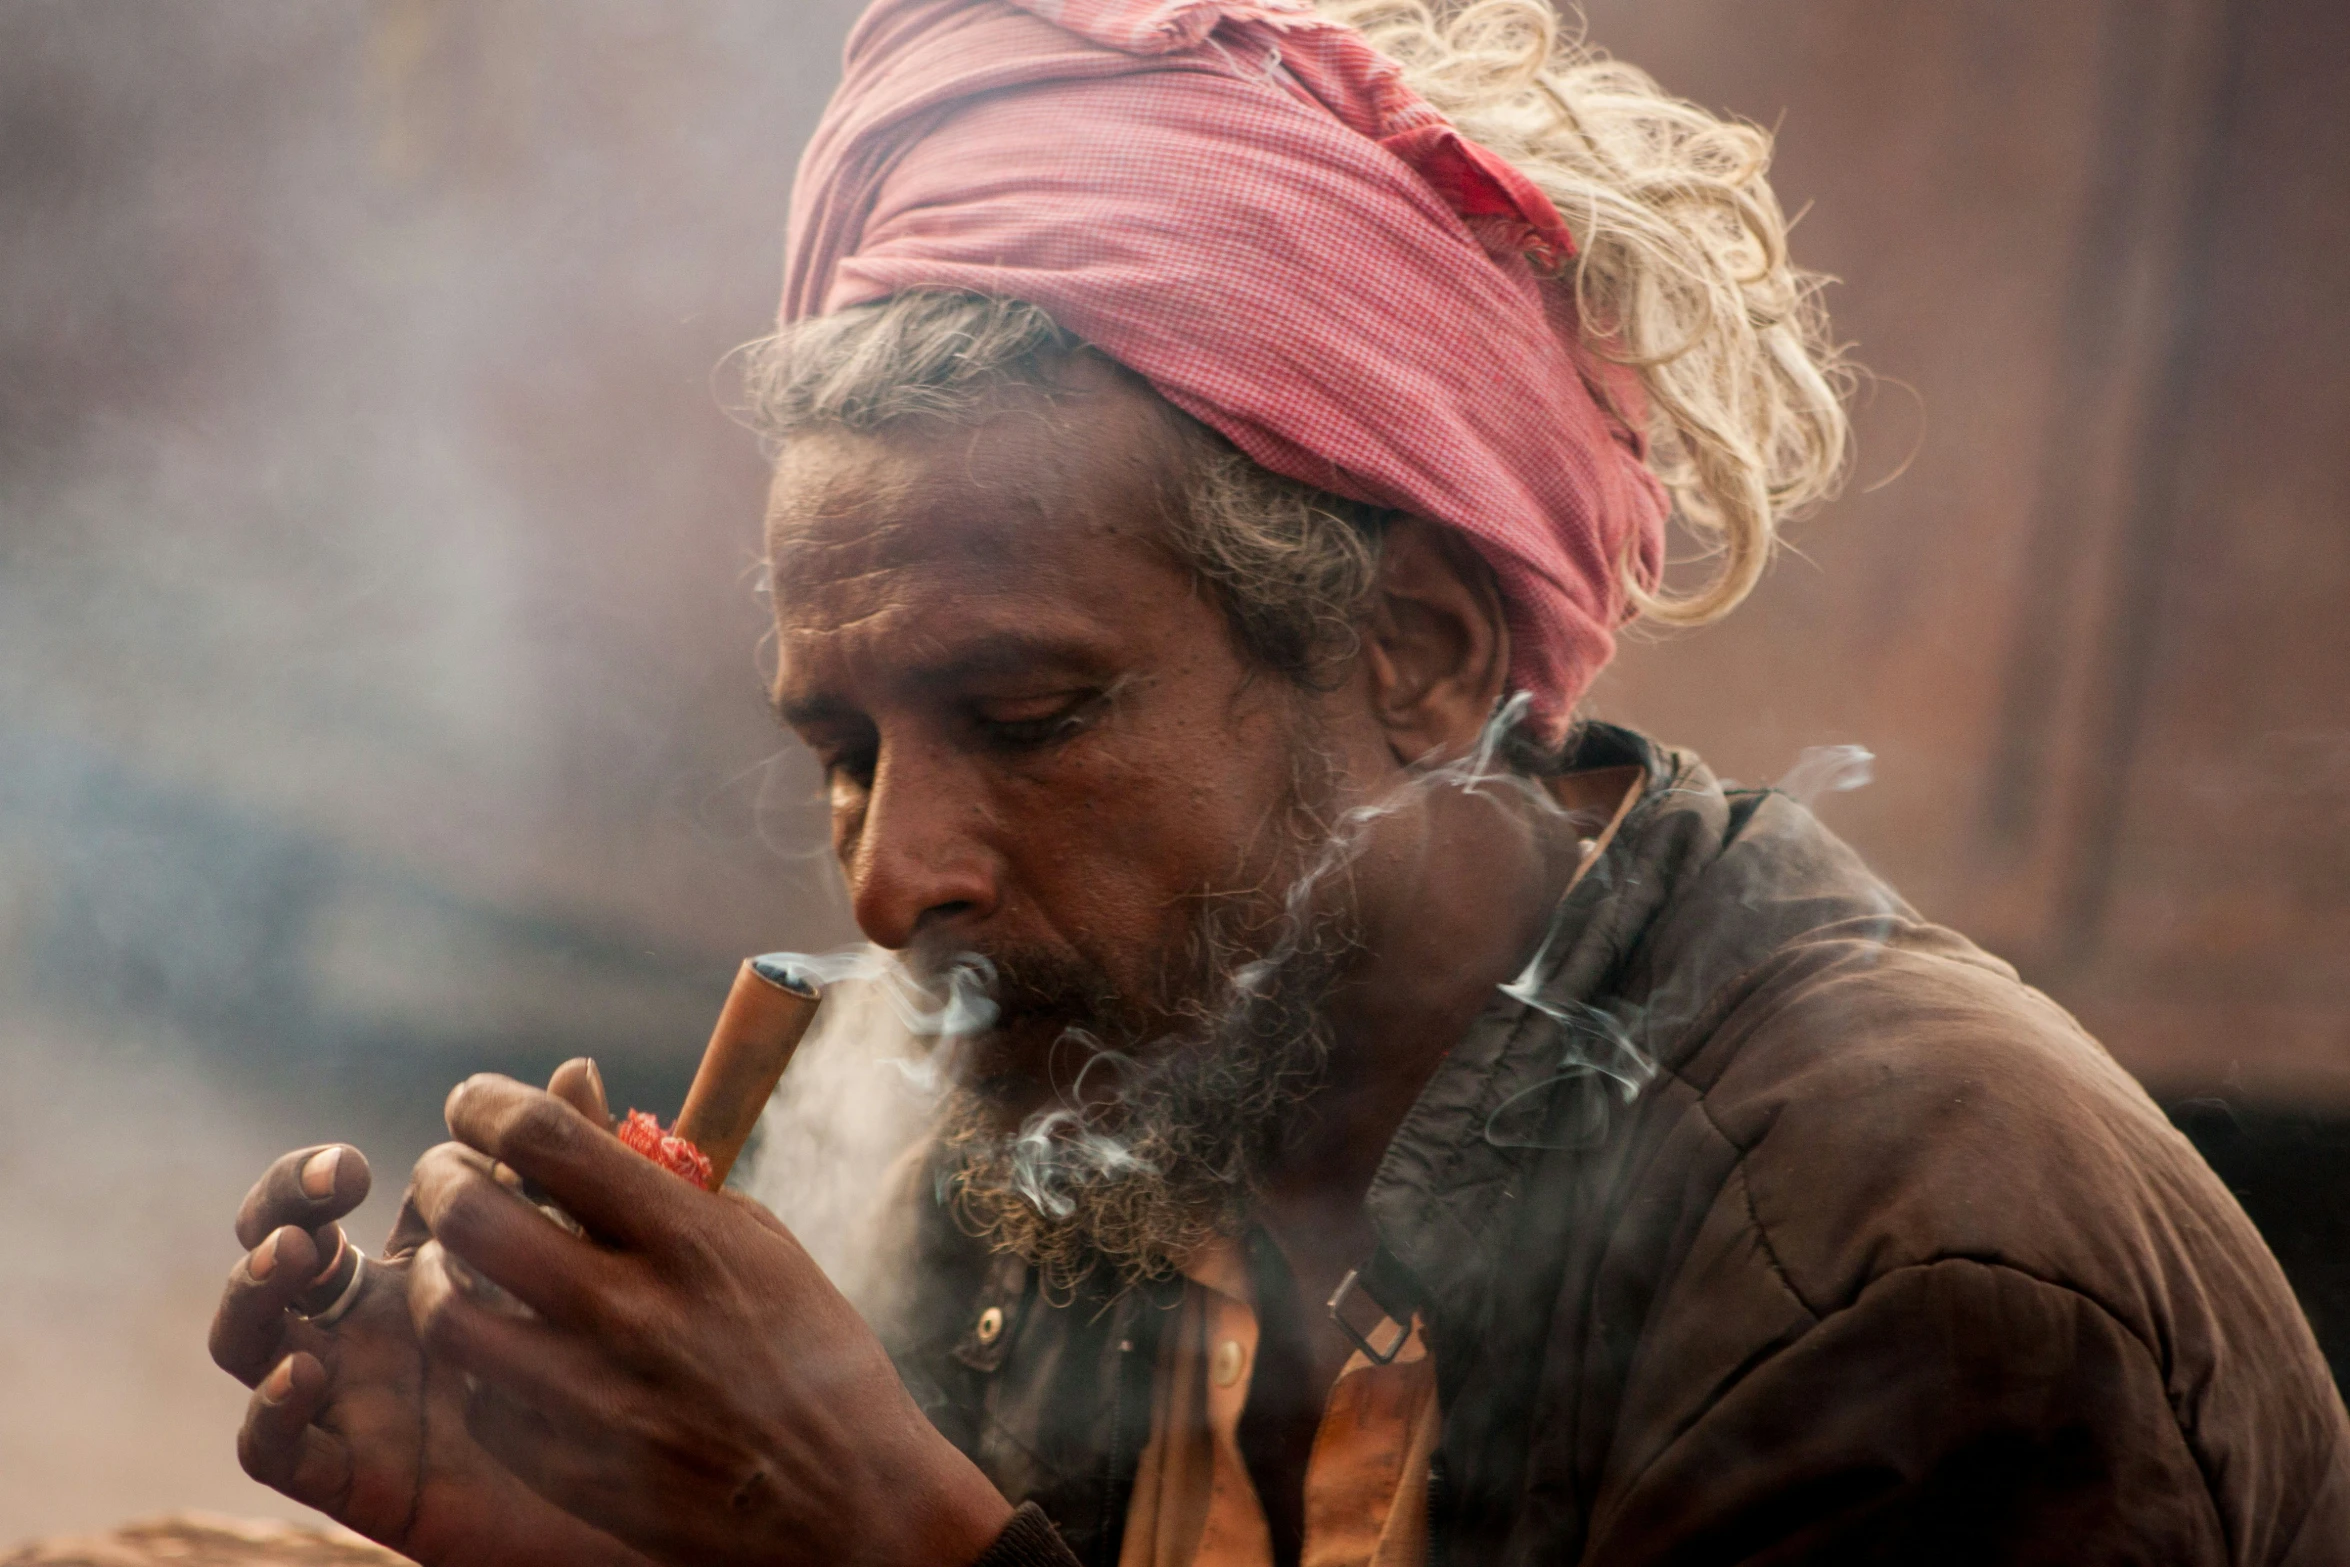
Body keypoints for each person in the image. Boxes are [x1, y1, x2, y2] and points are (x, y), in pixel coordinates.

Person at [209, 1, 2350, 1563]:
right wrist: (584, 1532)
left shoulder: (1914, 1275)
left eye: (1030, 719)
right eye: (844, 751)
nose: (891, 880)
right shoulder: (1113, 1104)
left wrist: (861, 1531)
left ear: (1415, 652)